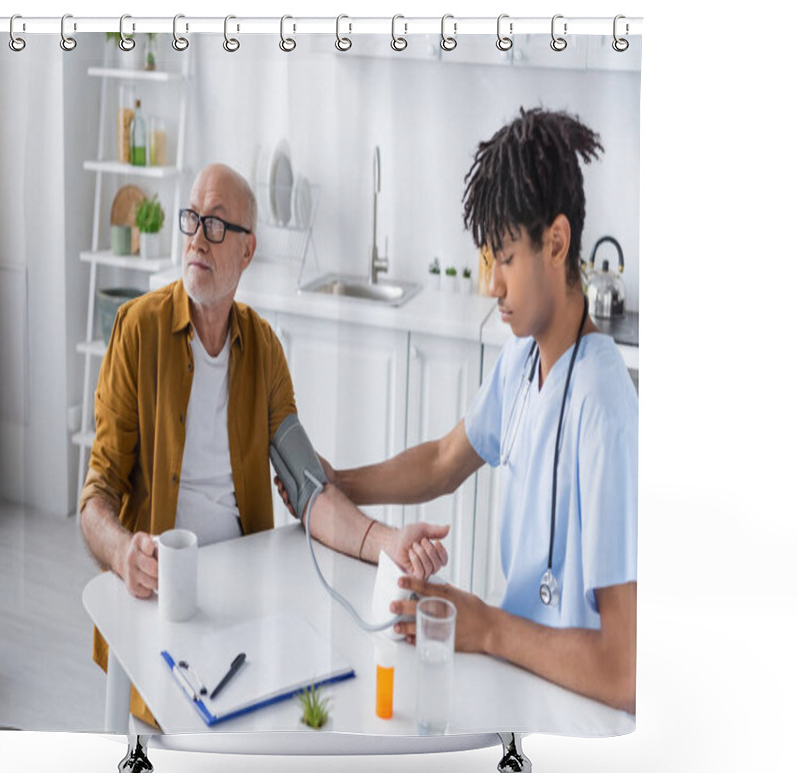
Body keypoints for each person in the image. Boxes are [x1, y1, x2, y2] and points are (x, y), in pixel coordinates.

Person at [283, 109, 638, 714]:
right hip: (521, 678)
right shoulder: (523, 360)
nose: (493, 284)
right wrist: (339, 482)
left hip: (578, 708)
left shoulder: (604, 410)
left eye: (505, 258)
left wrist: (487, 626)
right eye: (488, 261)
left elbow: (626, 672)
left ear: (556, 242)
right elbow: (445, 460)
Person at [80, 163, 448, 727]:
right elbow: (95, 499)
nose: (198, 236)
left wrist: (389, 541)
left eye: (218, 225)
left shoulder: (263, 348)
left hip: (247, 586)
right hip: (164, 592)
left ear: (247, 252)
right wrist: (121, 550)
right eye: (193, 219)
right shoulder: (138, 330)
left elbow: (310, 491)